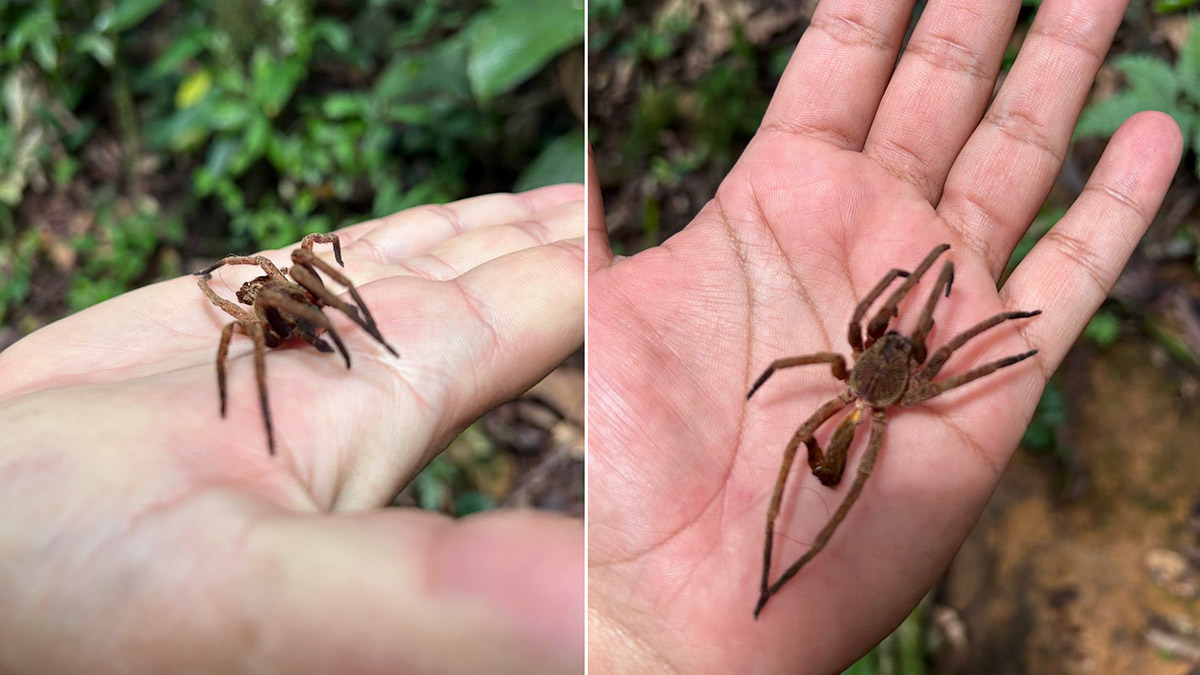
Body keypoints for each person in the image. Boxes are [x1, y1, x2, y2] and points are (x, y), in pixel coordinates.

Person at [586, 0, 1180, 672]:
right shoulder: (880, 366)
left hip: (856, 401)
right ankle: (783, 564)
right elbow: (896, 336)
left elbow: (946, 351)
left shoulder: (862, 366)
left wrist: (980, 309)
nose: (899, 340)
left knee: (844, 416)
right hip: (865, 405)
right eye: (892, 339)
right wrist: (940, 282)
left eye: (894, 341)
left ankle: (789, 566)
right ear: (875, 346)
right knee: (798, 448)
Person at [0, 186, 584, 673]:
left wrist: (328, 280)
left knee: (315, 280)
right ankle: (289, 393)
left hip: (294, 297)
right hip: (273, 324)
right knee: (250, 330)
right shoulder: (250, 317)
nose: (261, 286)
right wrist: (213, 289)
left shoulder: (289, 274)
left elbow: (308, 252)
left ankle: (368, 331)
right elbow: (226, 310)